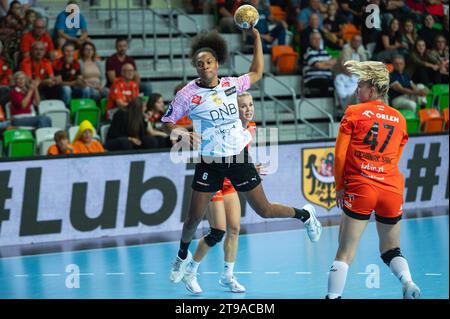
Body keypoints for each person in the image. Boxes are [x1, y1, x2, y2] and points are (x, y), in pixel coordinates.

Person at [162, 30, 322, 286]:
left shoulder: (230, 85)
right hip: (210, 163)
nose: (205, 67)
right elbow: (167, 122)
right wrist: (181, 131)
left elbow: (257, 71)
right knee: (193, 218)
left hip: (238, 159)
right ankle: (182, 256)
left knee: (265, 210)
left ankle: (305, 215)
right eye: (200, 63)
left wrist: (258, 37)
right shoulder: (186, 95)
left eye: (209, 62)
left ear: (217, 64)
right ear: (195, 66)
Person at [326, 60, 420, 299]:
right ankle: (408, 283)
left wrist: (339, 186)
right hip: (391, 189)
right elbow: (395, 157)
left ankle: (332, 297)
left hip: (361, 188)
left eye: (360, 85)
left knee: (345, 252)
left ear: (372, 88)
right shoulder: (399, 118)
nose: (357, 90)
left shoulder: (354, 112)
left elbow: (339, 155)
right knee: (391, 249)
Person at [181, 92, 261, 294]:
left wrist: (251, 167)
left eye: (250, 104)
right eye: (243, 106)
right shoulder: (222, 124)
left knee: (234, 228)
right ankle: (190, 271)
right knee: (218, 231)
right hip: (215, 180)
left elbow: (242, 153)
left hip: (231, 181)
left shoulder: (251, 128)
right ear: (233, 109)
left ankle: (227, 276)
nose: (248, 109)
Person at [53, 40, 89, 107]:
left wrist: (82, 82)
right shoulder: (57, 63)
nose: (69, 53)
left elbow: (79, 77)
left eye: (71, 51)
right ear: (62, 52)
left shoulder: (76, 63)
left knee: (86, 88)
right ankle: (67, 109)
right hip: (59, 89)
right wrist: (73, 83)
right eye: (67, 51)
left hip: (73, 87)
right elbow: (58, 83)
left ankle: (82, 107)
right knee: (66, 89)